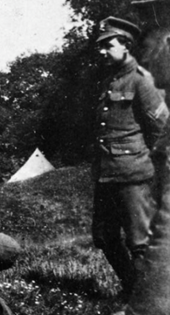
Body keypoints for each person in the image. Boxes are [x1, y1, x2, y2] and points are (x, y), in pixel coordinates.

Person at [91, 16, 168, 300]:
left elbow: (161, 128)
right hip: (106, 173)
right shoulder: (108, 81)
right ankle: (134, 287)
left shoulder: (140, 81)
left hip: (133, 175)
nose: (102, 51)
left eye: (108, 45)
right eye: (100, 45)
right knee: (104, 237)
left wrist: (145, 160)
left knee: (139, 241)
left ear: (125, 45)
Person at [112, 2, 170, 314]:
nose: (142, 54)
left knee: (140, 239)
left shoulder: (141, 80)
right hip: (116, 170)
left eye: (148, 40)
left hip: (132, 169)